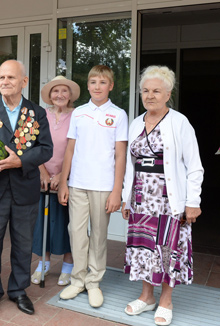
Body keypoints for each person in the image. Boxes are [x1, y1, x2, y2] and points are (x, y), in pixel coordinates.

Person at [121, 66, 203, 326]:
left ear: (168, 93)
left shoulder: (179, 122)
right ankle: (146, 297)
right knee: (145, 248)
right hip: (141, 199)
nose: (150, 95)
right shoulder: (136, 123)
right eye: (145, 91)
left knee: (169, 250)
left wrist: (193, 202)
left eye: (156, 91)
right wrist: (126, 197)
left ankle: (166, 300)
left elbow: (194, 166)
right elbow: (128, 165)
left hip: (170, 201)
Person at [0, 60, 53, 318]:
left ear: (24, 81)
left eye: (11, 77)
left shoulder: (37, 112)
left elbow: (45, 148)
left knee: (23, 244)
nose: (5, 82)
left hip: (24, 189)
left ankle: (18, 290)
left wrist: (21, 161)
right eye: (1, 77)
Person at [58, 65, 128, 308]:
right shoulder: (78, 113)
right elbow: (69, 149)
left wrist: (117, 190)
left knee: (99, 234)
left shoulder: (119, 114)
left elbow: (121, 155)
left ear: (110, 85)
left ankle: (94, 281)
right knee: (76, 231)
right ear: (88, 86)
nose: (97, 86)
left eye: (102, 82)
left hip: (103, 185)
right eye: (93, 82)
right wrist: (64, 182)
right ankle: (77, 280)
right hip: (78, 183)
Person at [31, 76, 79, 286]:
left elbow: (79, 148)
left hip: (68, 178)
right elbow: (33, 145)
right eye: (55, 91)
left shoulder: (77, 116)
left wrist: (62, 175)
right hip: (41, 179)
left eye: (64, 91)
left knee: (67, 223)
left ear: (70, 95)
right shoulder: (41, 115)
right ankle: (44, 263)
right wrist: (42, 171)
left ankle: (68, 266)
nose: (59, 95)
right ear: (49, 95)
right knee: (42, 223)